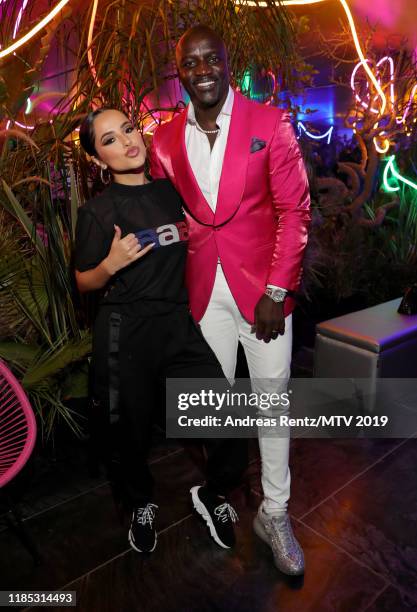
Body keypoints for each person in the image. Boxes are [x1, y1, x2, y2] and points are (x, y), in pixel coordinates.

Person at [149, 25, 311, 575]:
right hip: (201, 294)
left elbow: (296, 213)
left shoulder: (269, 123)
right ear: (181, 72)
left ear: (226, 60)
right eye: (190, 63)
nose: (203, 70)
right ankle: (216, 489)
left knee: (271, 402)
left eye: (210, 59)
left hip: (263, 294)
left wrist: (275, 289)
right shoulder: (165, 140)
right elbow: (166, 215)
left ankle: (276, 513)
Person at [74, 108, 247, 554]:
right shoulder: (97, 212)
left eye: (128, 129)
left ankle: (213, 493)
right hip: (124, 331)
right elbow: (83, 280)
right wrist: (110, 264)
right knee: (129, 434)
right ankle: (140, 503)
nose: (126, 142)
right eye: (109, 139)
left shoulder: (174, 194)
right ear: (97, 159)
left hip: (178, 323)